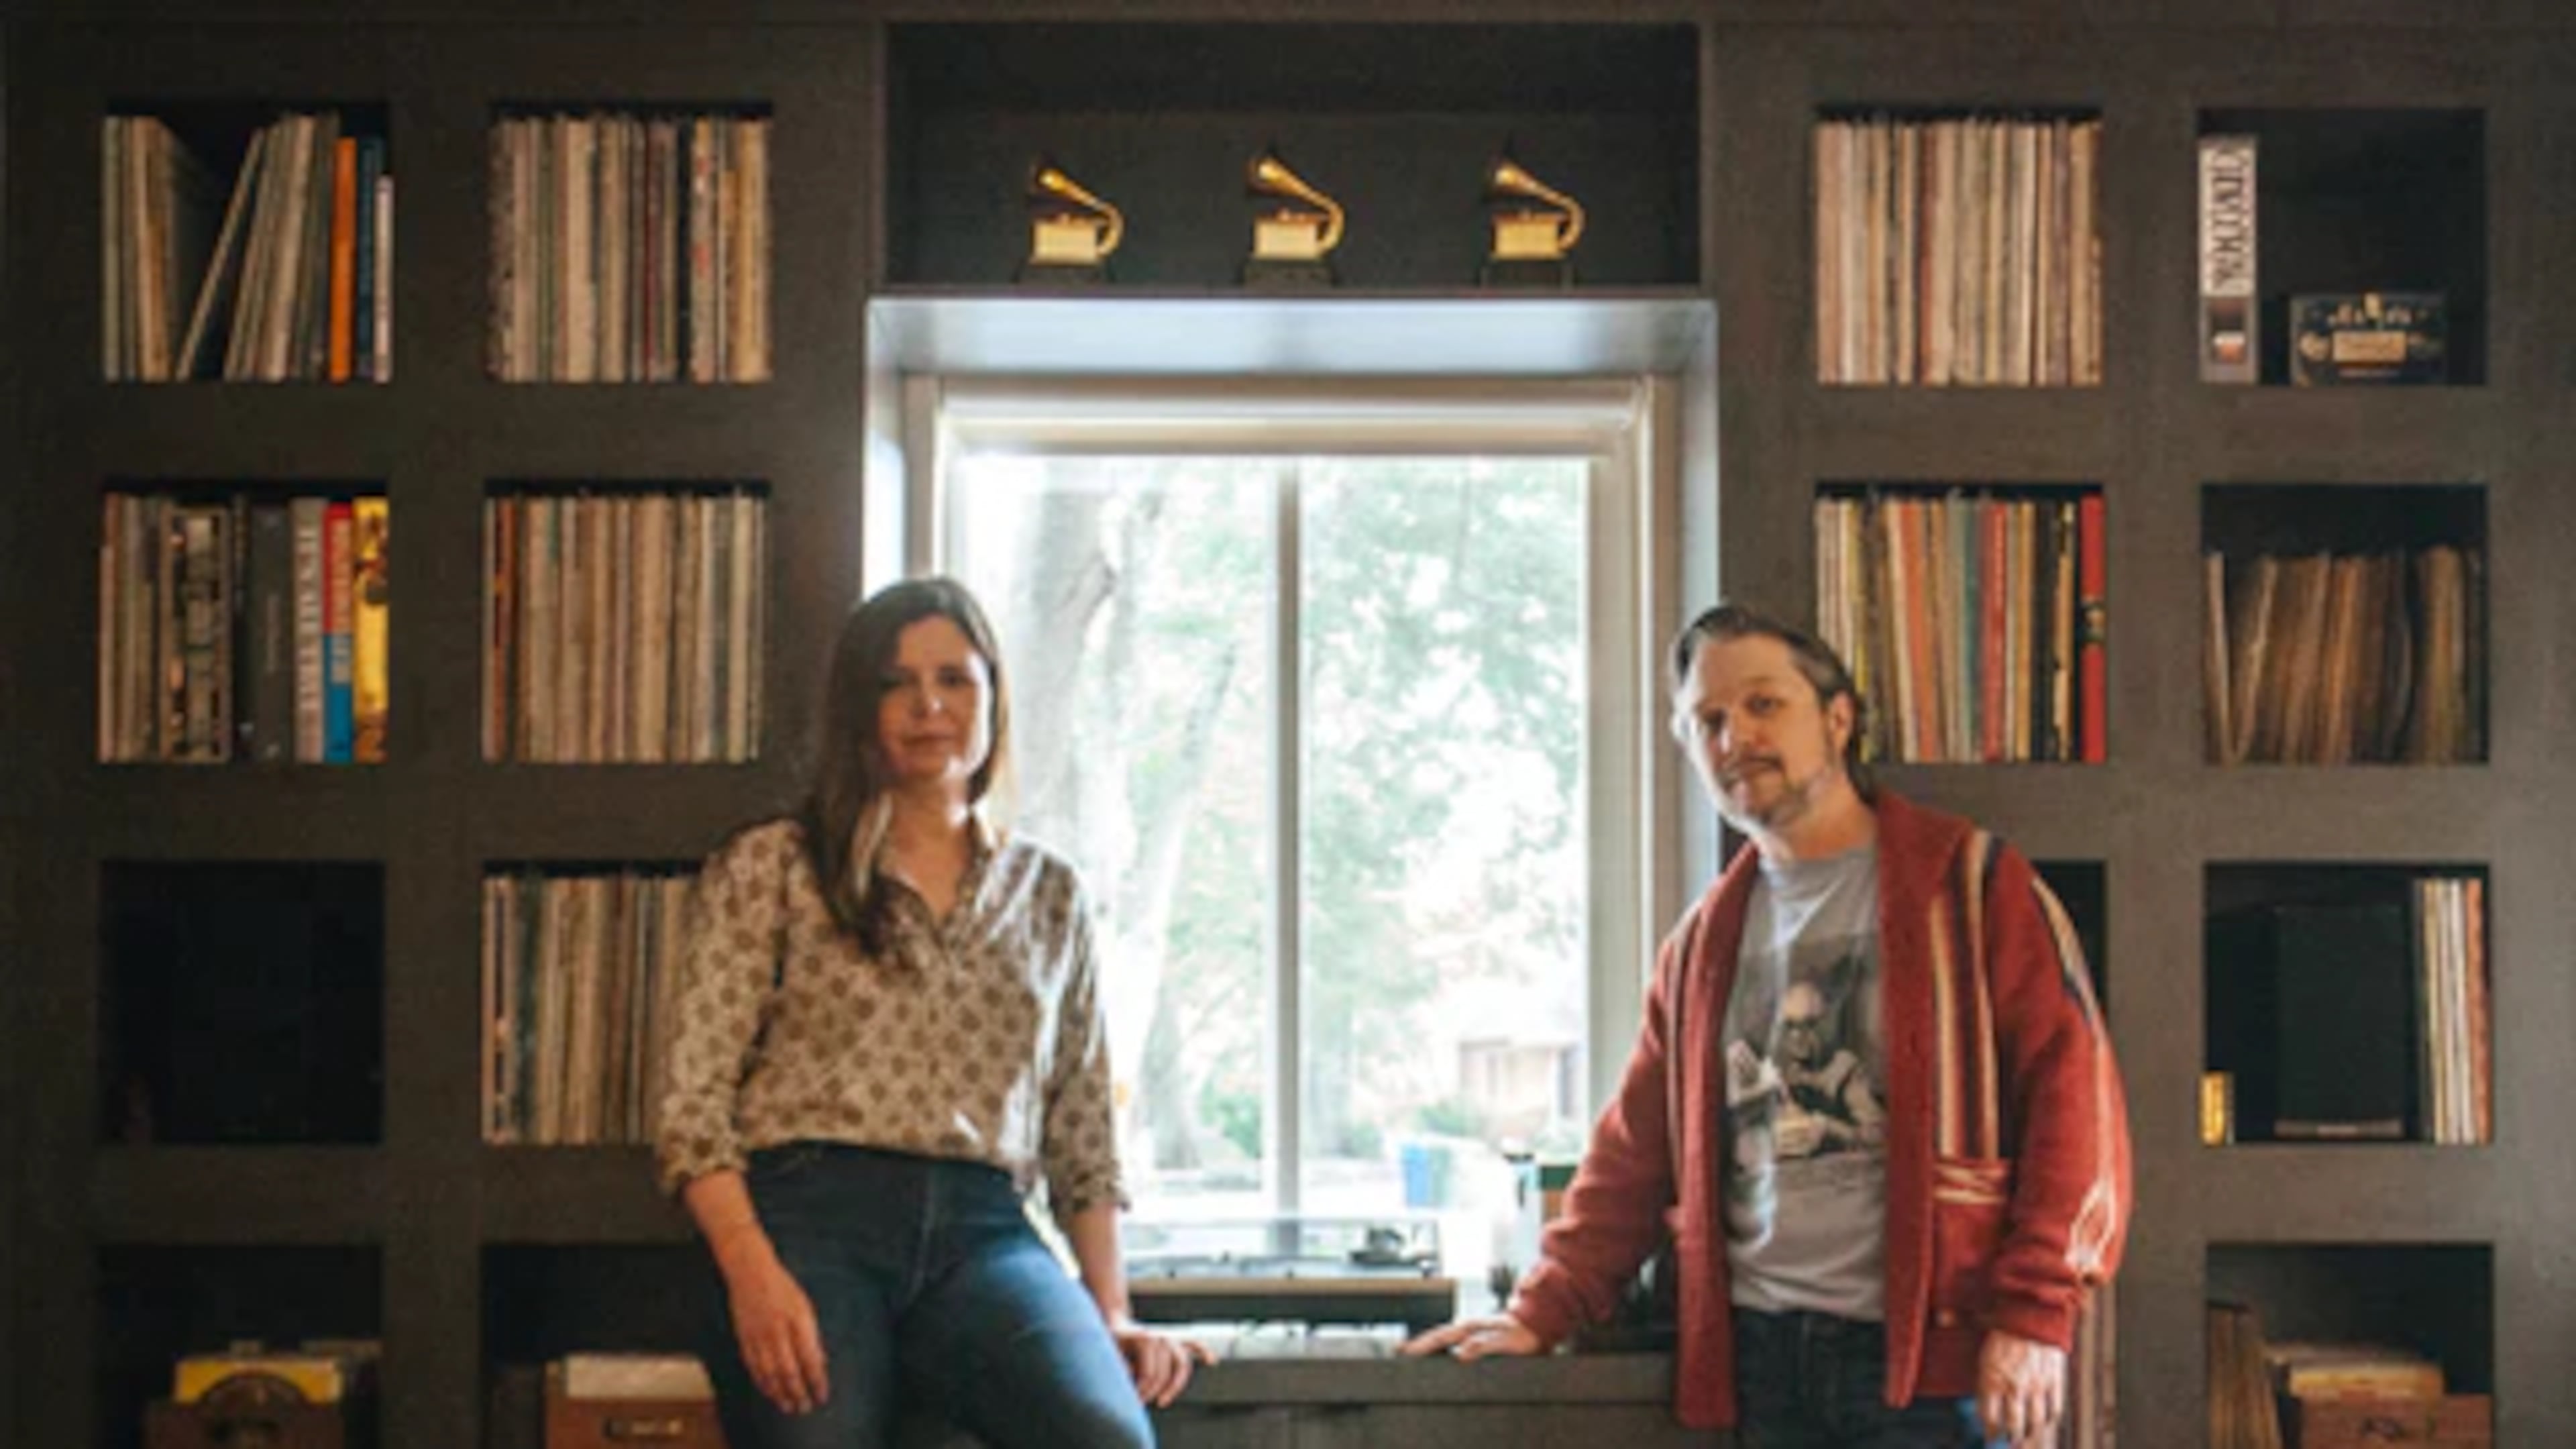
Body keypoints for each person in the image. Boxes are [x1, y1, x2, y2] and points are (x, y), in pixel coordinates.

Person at [1405, 602, 2131, 1449]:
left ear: (1838, 719)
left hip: (1934, 1372)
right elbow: (1634, 1153)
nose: (1735, 738)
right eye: (1707, 720)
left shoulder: (1971, 887)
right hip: (1760, 1364)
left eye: (1763, 704)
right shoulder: (1699, 947)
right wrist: (1541, 1311)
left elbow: (2075, 1105)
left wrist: (2035, 1313)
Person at [655, 577, 1207, 1449]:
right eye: (897, 684)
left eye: (955, 679)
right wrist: (752, 1278)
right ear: (860, 708)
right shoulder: (774, 868)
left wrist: (1111, 1311)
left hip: (985, 1236)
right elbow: (692, 1109)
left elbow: (1082, 1134)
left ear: (992, 699)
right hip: (810, 1218)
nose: (929, 707)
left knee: (1110, 1439)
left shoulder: (1050, 894)